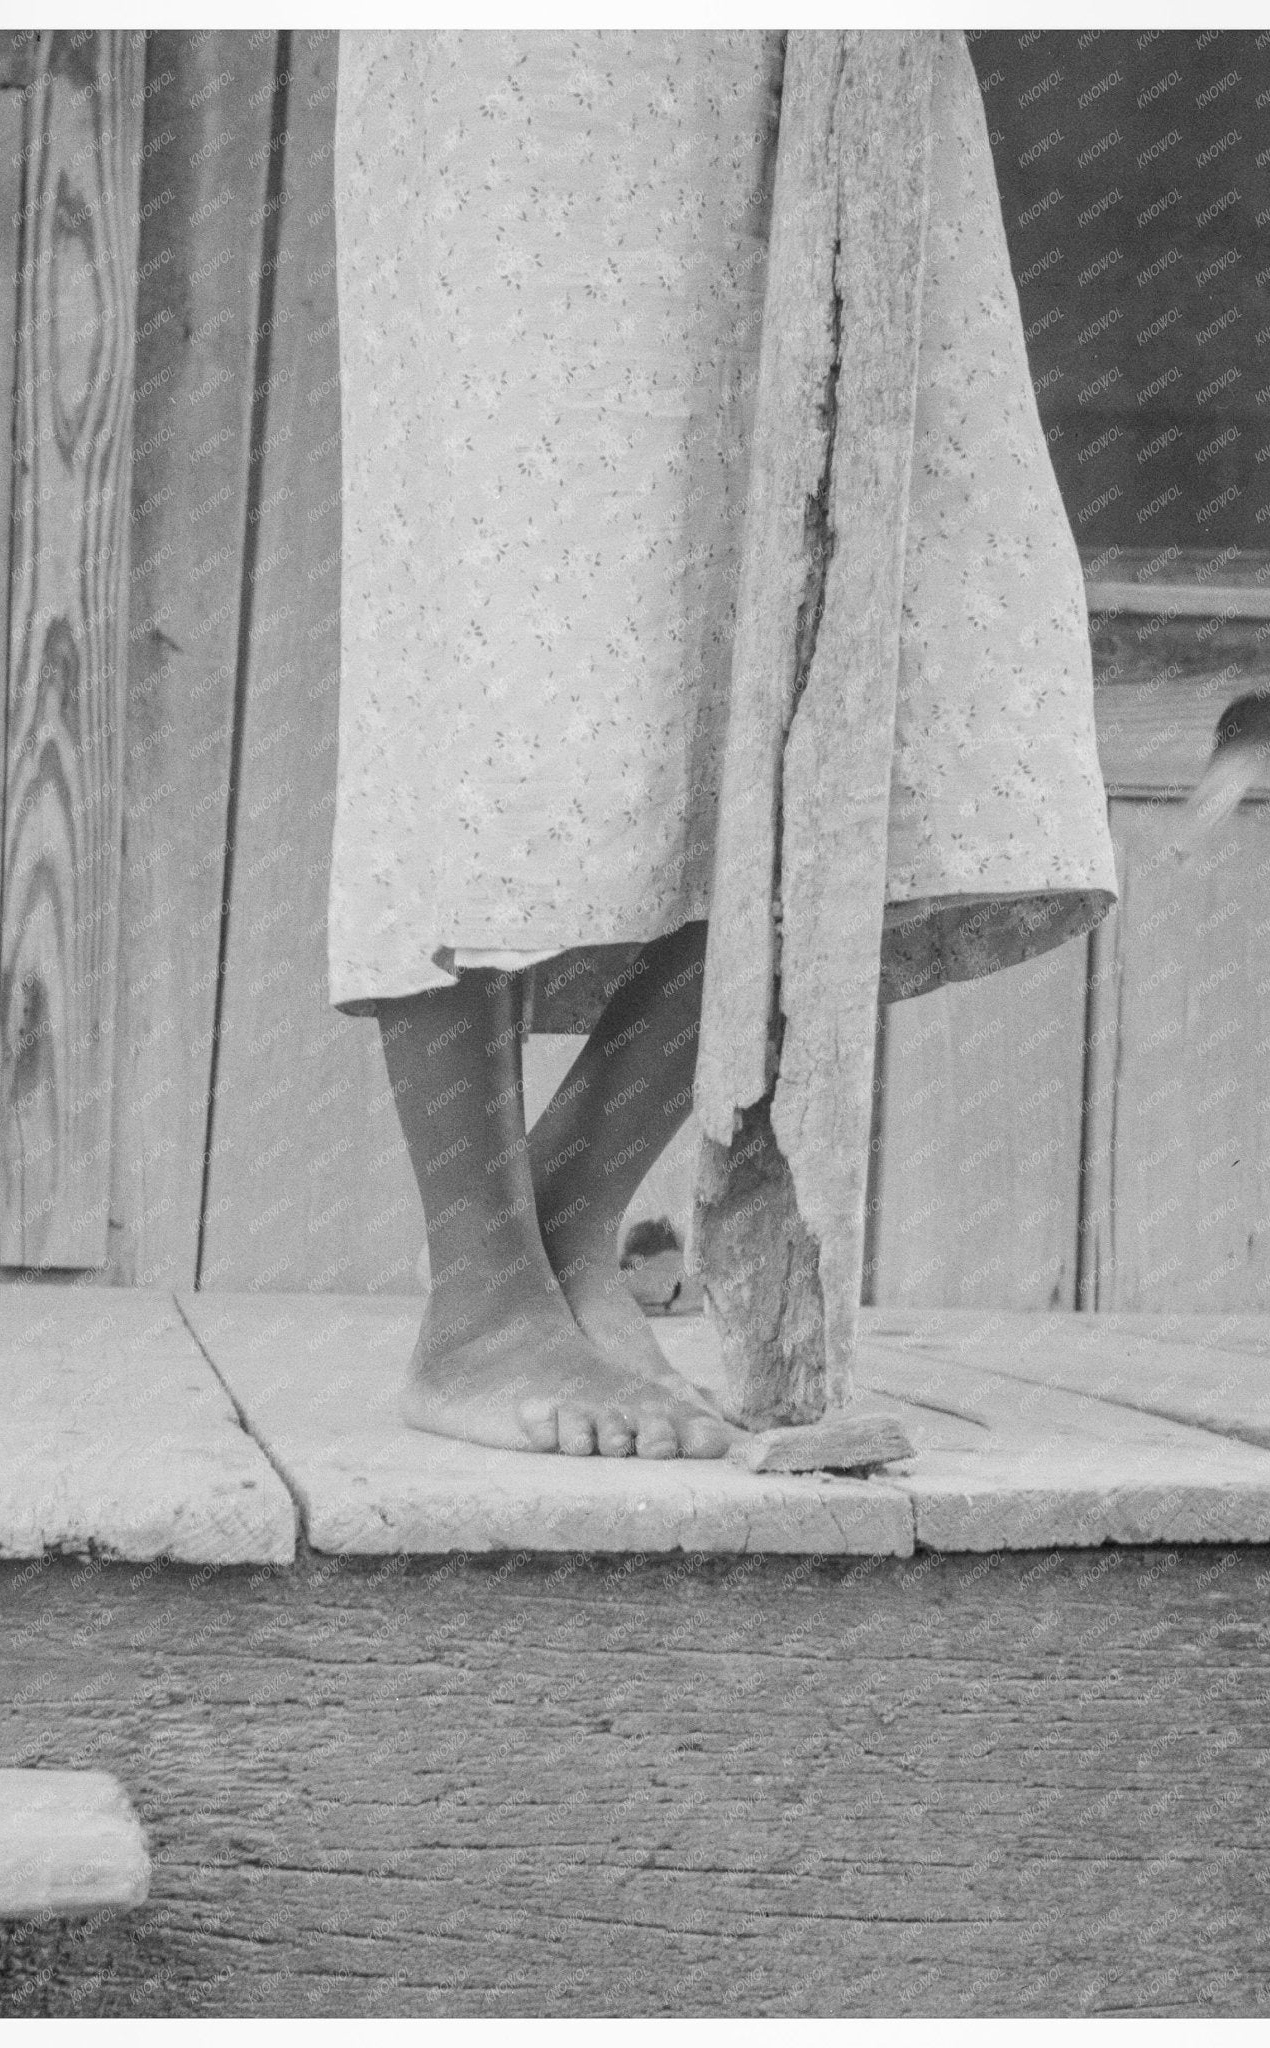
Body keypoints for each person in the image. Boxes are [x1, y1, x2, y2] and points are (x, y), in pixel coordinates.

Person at [328, 32, 1117, 1458]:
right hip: (552, 78)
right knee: (523, 599)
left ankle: (564, 1223)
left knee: (905, 657)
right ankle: (485, 1300)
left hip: (852, 59)